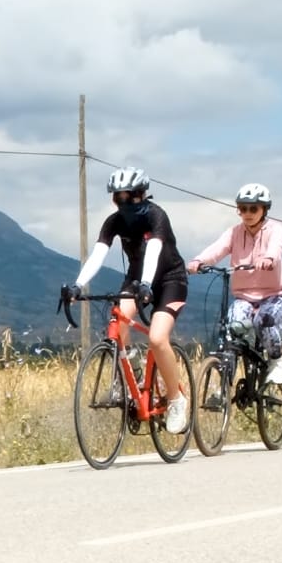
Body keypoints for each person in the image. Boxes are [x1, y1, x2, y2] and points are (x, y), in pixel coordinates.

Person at [72, 166, 191, 436]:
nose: (124, 202)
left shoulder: (156, 215)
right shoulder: (114, 222)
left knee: (157, 339)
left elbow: (154, 250)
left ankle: (176, 400)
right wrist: (78, 285)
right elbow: (98, 254)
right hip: (137, 280)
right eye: (118, 197)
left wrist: (147, 283)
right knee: (118, 321)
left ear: (142, 194)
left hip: (170, 280)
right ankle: (131, 371)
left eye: (130, 196)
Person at [191, 182, 282, 397]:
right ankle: (223, 389)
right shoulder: (235, 233)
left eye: (253, 208)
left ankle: (277, 361)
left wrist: (268, 258)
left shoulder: (274, 230)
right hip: (245, 296)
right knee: (232, 328)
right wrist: (199, 261)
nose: (247, 213)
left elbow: (276, 246)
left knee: (263, 321)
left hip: (275, 295)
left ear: (264, 209)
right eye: (242, 208)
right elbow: (218, 248)